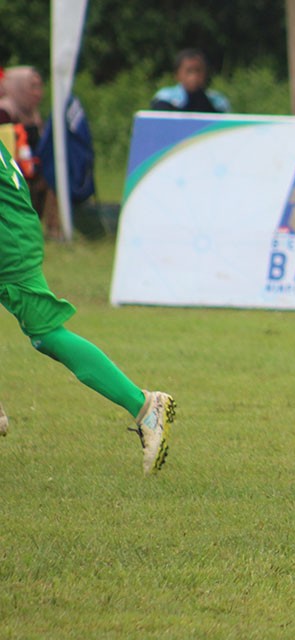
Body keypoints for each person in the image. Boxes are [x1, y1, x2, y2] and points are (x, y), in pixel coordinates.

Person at [0, 140, 175, 474]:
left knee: (47, 335)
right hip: (13, 228)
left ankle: (145, 406)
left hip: (8, 238)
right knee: (46, 336)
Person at [0, 66, 53, 226]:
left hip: (31, 167)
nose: (38, 93)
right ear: (18, 87)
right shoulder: (5, 111)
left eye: (39, 87)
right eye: (32, 87)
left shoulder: (32, 113)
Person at [151, 49, 231, 113]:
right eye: (189, 71)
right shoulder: (165, 98)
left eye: (198, 70)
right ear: (177, 75)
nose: (194, 76)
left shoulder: (217, 101)